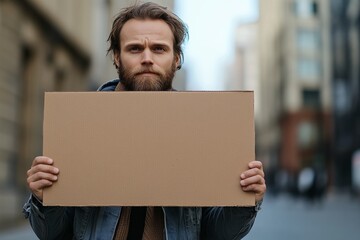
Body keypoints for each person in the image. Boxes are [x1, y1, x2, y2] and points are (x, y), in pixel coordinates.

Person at [23, 2, 266, 239]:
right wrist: (43, 199)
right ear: (117, 57)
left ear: (177, 58)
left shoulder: (199, 130)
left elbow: (216, 233)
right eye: (135, 49)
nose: (147, 58)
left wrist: (244, 203)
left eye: (159, 49)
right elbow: (52, 233)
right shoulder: (79, 126)